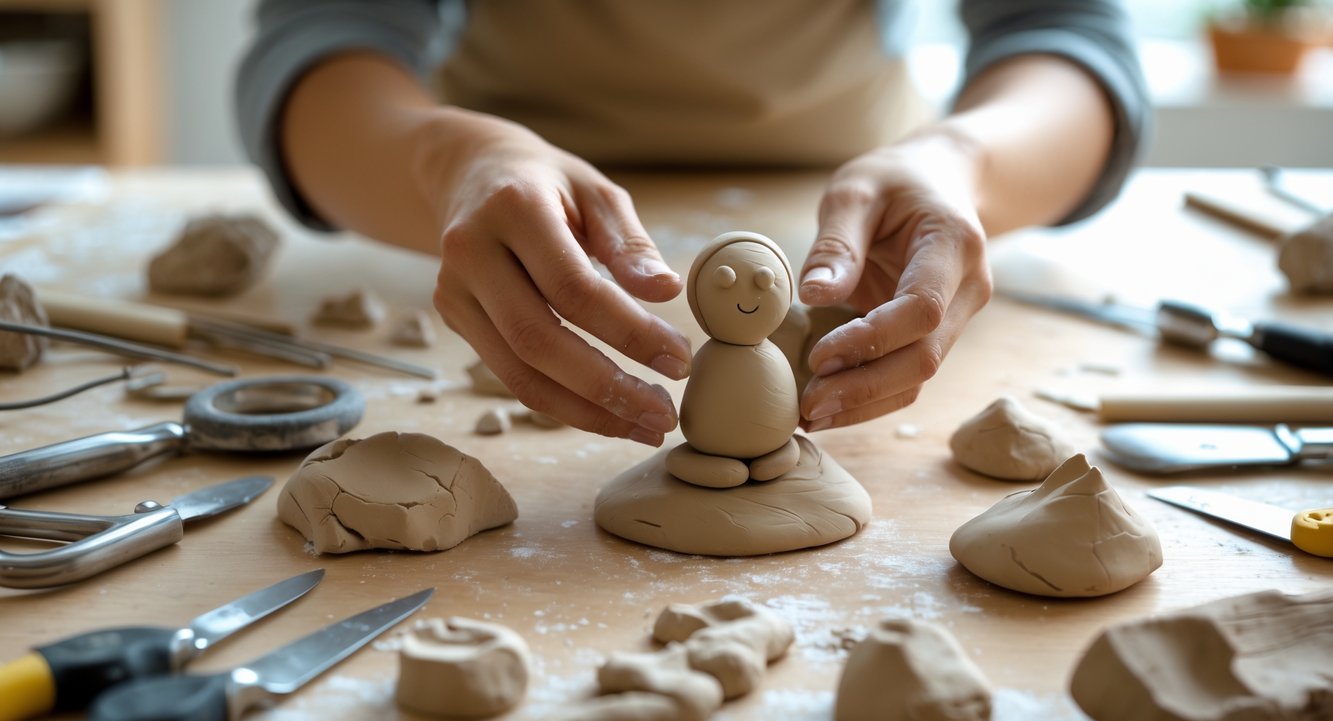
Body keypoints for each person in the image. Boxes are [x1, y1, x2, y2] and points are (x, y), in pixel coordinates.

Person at [236, 0, 1148, 447]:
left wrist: (965, 166)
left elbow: (1062, 30)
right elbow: (319, 34)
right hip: (503, 226)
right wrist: (445, 164)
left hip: (860, 228)